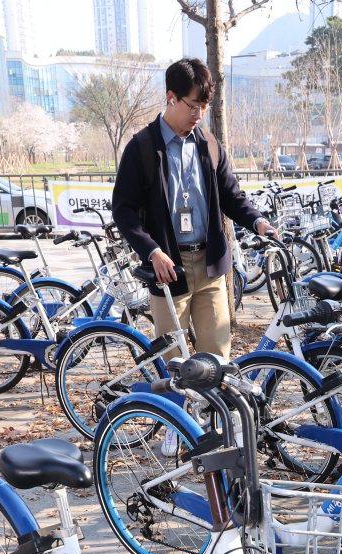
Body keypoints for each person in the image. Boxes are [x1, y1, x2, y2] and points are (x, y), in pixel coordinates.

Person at [112, 57, 274, 365]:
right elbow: (123, 210)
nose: (198, 114)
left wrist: (258, 222)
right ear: (171, 97)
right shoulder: (142, 147)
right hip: (168, 268)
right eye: (193, 106)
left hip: (210, 265)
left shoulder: (209, 144)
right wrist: (152, 252)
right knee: (174, 362)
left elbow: (232, 196)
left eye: (204, 107)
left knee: (217, 359)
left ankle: (210, 400)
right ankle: (176, 399)